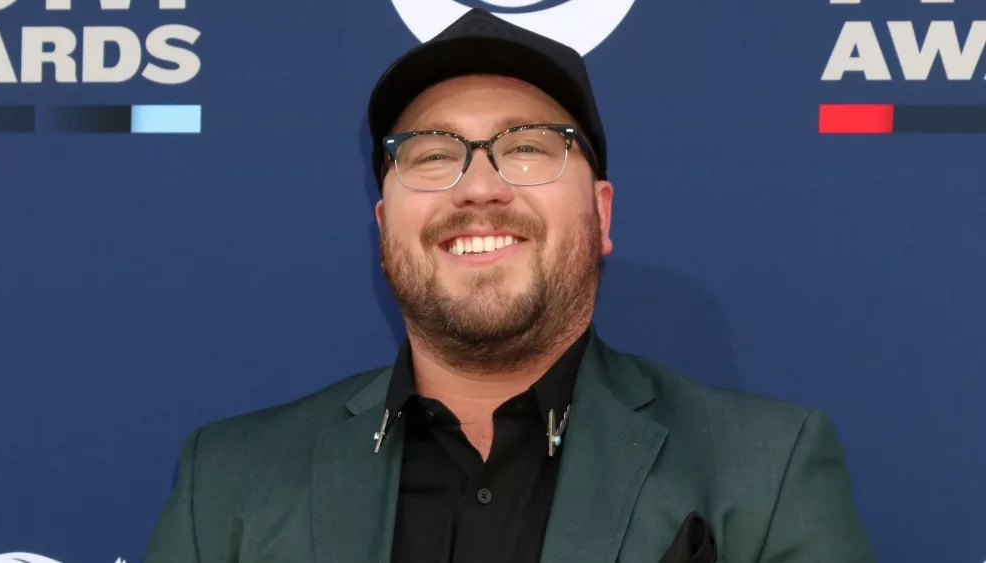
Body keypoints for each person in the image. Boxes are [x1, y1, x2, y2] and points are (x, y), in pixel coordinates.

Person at [144, 8, 876, 563]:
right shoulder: (227, 486)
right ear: (382, 223)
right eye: (432, 155)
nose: (480, 187)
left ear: (601, 210)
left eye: (527, 148)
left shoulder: (766, 470)